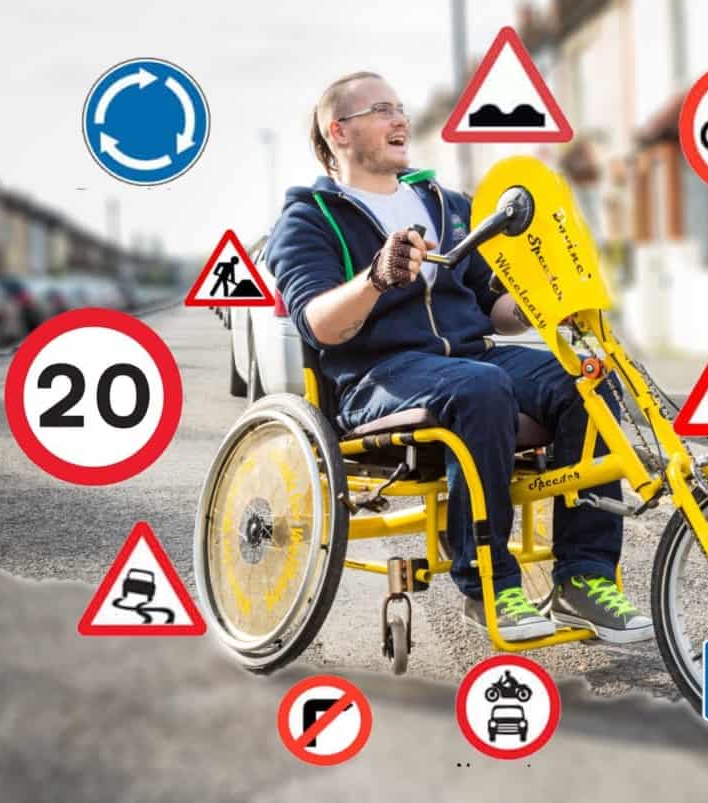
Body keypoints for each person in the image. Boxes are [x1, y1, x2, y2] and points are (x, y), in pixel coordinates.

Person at [265, 71, 653, 644]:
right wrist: (376, 277)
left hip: (472, 360)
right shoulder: (310, 220)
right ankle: (489, 583)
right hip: (378, 377)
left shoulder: (447, 206)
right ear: (337, 132)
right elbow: (320, 323)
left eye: (399, 107)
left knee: (589, 380)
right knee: (479, 389)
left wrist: (542, 297)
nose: (401, 120)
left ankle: (583, 579)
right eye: (380, 110)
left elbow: (495, 305)